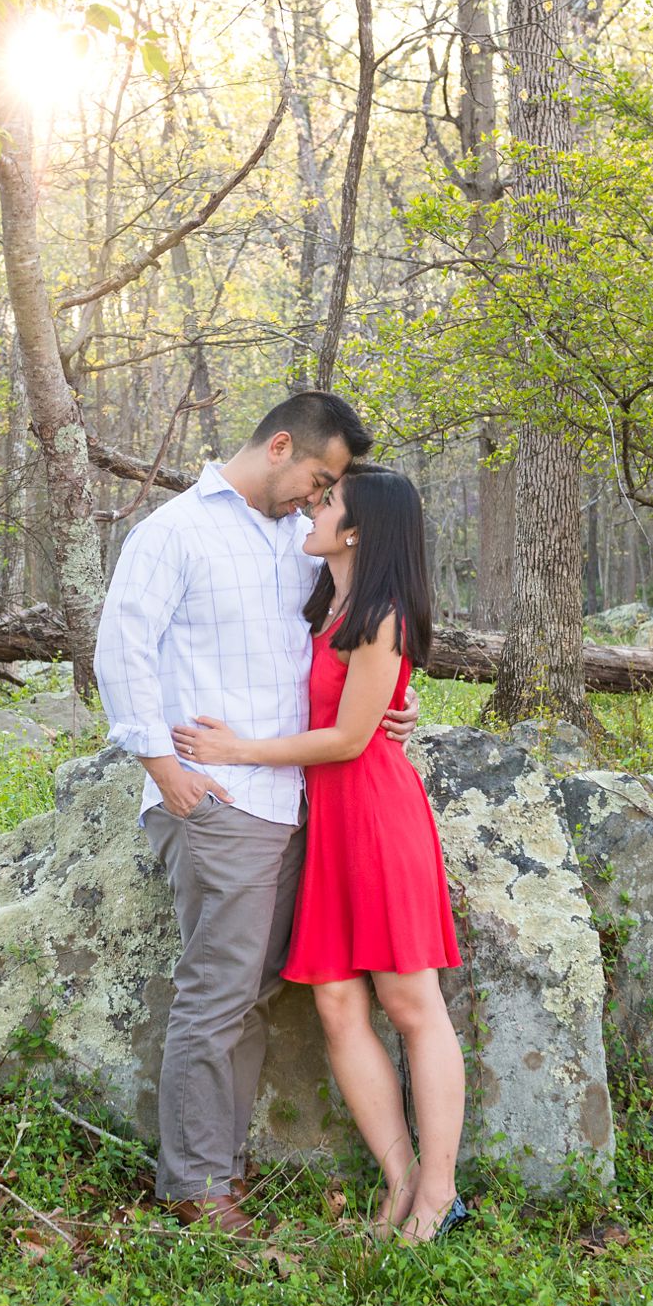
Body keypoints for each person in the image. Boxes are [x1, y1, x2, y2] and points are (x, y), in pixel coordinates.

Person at [93, 390, 419, 1240]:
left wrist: (386, 710)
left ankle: (222, 1165)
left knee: (250, 992)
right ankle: (197, 1185)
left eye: (330, 490)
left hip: (302, 805)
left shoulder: (300, 542)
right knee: (216, 993)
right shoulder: (174, 533)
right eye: (318, 477)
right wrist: (166, 773)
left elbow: (352, 638)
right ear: (280, 446)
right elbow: (119, 651)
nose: (320, 498)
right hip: (221, 803)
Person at [172, 468, 467, 1245]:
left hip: (377, 819)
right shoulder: (320, 599)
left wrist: (239, 750)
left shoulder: (383, 615)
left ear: (359, 530)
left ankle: (439, 1196)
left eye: (327, 501)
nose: (312, 505)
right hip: (326, 824)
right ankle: (399, 1178)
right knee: (338, 1004)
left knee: (411, 1006)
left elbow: (347, 738)